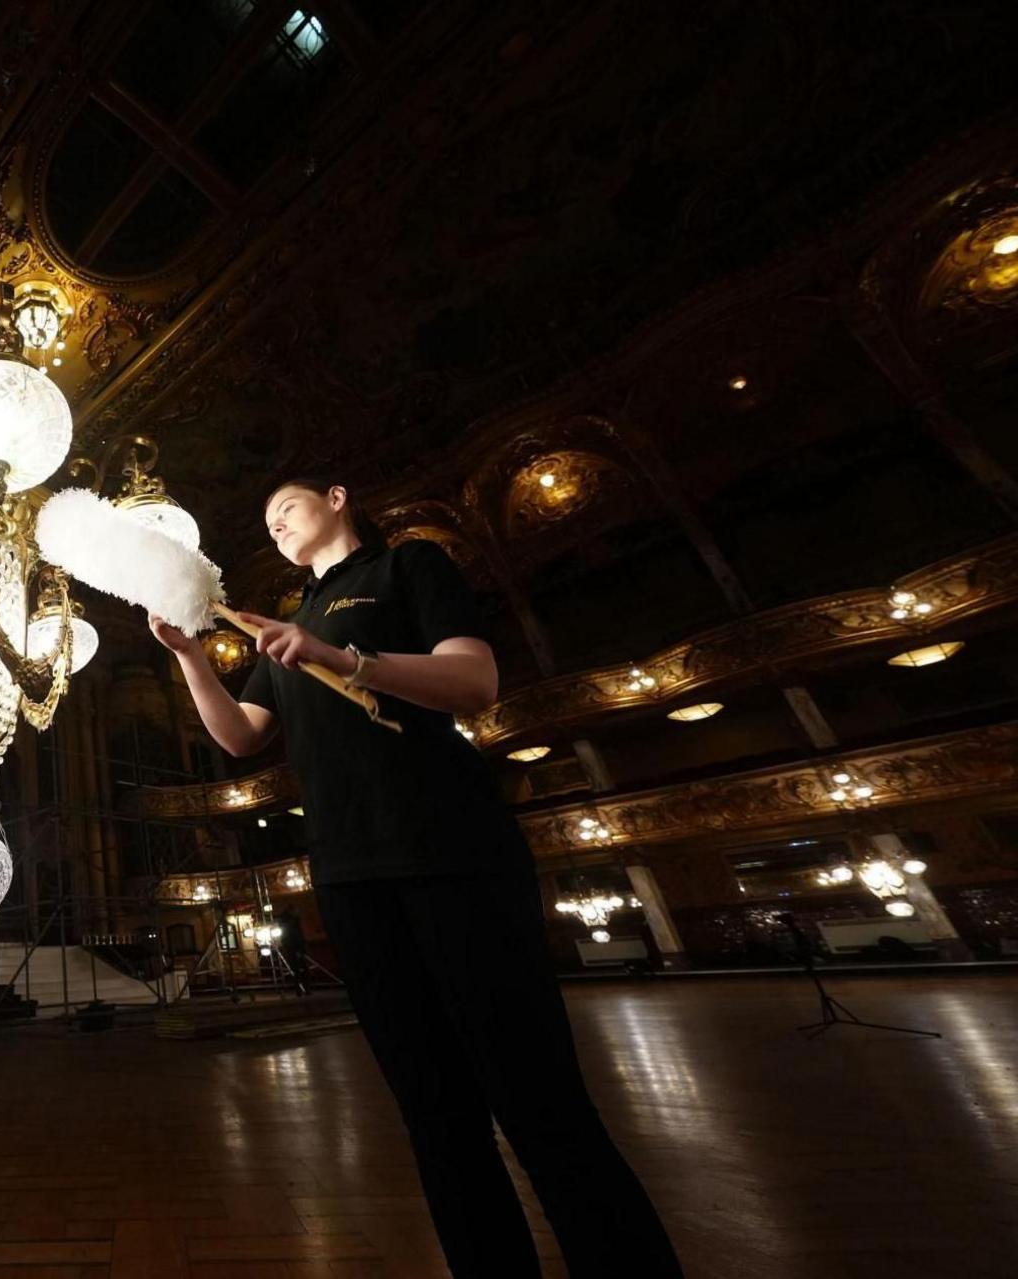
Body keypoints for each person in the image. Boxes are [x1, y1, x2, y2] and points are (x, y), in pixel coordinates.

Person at [149, 476, 681, 1279]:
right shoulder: (287, 625)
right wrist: (190, 655)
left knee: (539, 1102)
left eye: (286, 507)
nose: (276, 525)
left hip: (453, 852)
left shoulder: (406, 568)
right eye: (266, 523)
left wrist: (343, 657)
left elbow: (473, 683)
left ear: (337, 497)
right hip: (350, 877)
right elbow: (240, 737)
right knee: (436, 1118)